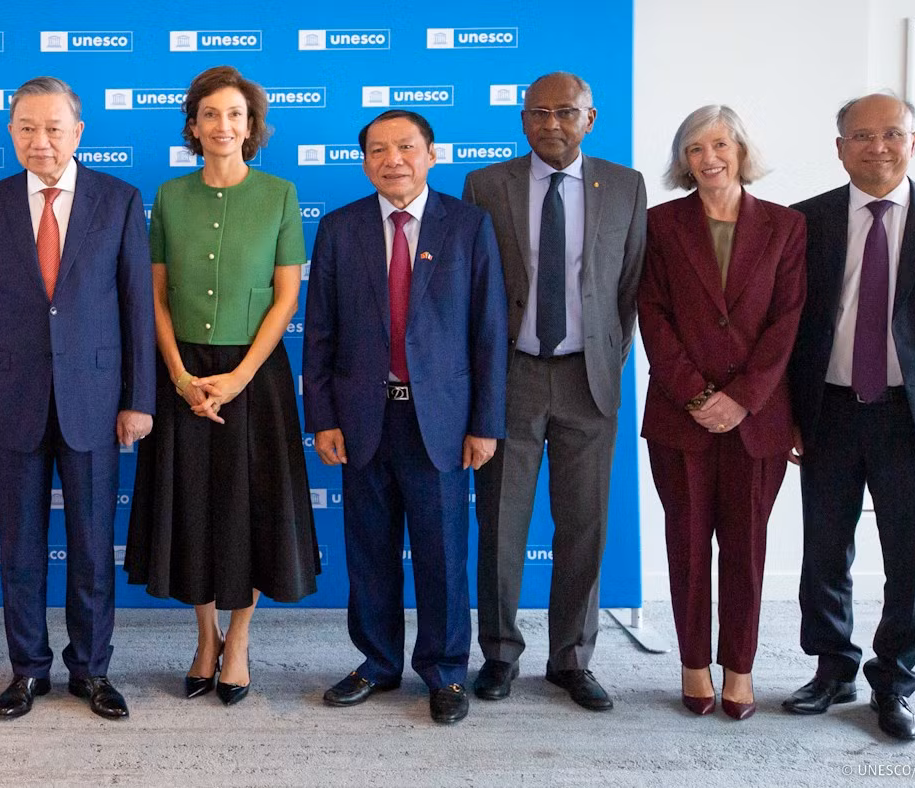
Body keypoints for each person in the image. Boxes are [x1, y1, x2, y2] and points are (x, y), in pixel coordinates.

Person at [783, 93, 915, 741]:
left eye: (892, 134)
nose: (878, 146)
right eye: (862, 135)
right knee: (823, 550)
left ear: (914, 141)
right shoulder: (805, 222)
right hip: (829, 412)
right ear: (840, 146)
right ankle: (831, 667)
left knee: (913, 560)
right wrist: (788, 415)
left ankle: (895, 682)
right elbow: (789, 329)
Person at [0, 76, 155, 721]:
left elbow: (135, 310)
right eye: (26, 128)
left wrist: (138, 399)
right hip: (12, 399)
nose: (39, 141)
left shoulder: (119, 200)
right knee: (19, 546)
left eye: (53, 129)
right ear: (10, 132)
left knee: (93, 546)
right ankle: (27, 670)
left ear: (78, 132)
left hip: (95, 401)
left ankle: (92, 671)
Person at [304, 109, 507, 724]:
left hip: (440, 420)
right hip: (363, 417)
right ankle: (377, 663)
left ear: (432, 154)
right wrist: (323, 418)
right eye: (379, 149)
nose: (394, 159)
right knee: (369, 549)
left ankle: (446, 673)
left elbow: (489, 333)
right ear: (364, 160)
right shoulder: (339, 229)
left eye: (407, 147)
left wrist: (485, 422)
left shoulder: (469, 226)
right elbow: (320, 334)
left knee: (443, 552)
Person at [123, 66, 317, 707]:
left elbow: (287, 297)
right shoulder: (169, 197)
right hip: (181, 373)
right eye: (210, 114)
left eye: (235, 114)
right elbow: (153, 297)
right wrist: (179, 377)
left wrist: (236, 378)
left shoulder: (281, 195)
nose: (222, 126)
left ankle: (238, 642)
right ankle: (204, 638)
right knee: (194, 507)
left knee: (249, 511)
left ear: (252, 125)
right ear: (193, 126)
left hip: (252, 376)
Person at [460, 71, 647, 710]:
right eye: (538, 113)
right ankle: (499, 655)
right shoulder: (487, 185)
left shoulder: (625, 186)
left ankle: (572, 658)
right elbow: (475, 290)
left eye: (566, 112)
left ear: (590, 119)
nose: (552, 124)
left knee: (584, 526)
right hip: (510, 376)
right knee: (501, 527)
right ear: (522, 120)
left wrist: (605, 361)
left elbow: (629, 289)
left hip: (586, 381)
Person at [638, 105, 805, 721]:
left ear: (740, 150)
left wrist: (743, 399)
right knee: (686, 547)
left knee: (746, 549)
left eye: (719, 145)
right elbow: (651, 315)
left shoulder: (788, 227)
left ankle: (739, 669)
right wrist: (698, 397)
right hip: (681, 418)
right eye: (694, 149)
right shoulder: (659, 225)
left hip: (757, 420)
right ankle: (692, 665)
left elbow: (788, 322)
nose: (708, 159)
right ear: (683, 161)